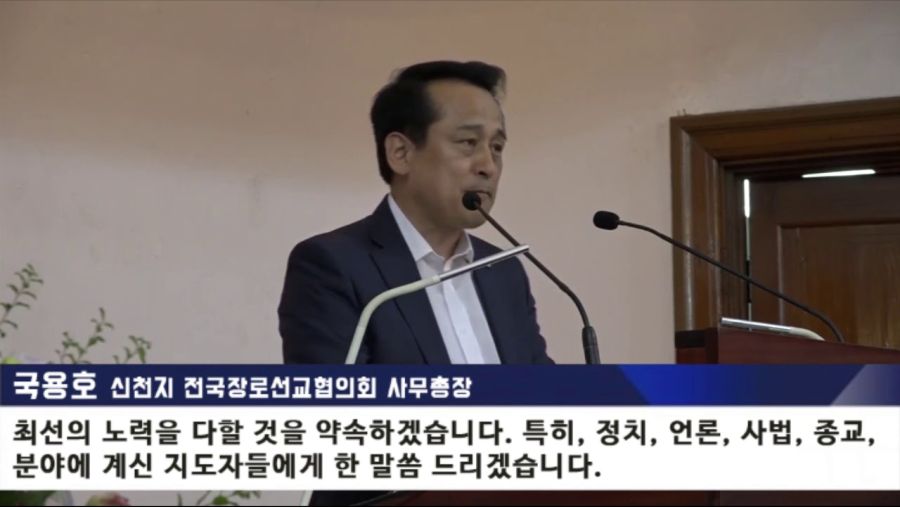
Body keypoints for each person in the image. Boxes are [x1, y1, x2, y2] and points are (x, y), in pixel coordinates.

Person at [278, 60, 553, 366]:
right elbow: (334, 394)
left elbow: (543, 387)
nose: (488, 166)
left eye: (497, 147)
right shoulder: (333, 267)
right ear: (401, 153)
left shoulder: (502, 271)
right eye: (468, 142)